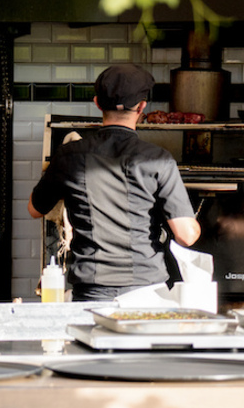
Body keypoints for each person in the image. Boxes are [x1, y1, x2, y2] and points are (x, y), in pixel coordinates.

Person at [28, 63, 201, 302]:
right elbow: (187, 236)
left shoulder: (69, 156)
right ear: (142, 107)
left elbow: (34, 209)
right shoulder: (158, 159)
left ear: (97, 103)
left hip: (91, 292)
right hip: (145, 293)